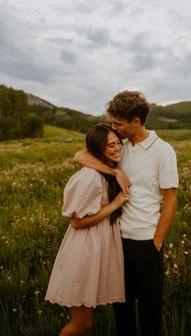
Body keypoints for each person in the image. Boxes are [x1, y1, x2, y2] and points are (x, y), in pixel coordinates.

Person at [74, 90, 179, 336]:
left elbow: (171, 199)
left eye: (118, 123)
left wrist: (157, 241)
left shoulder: (163, 151)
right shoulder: (117, 145)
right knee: (121, 309)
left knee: (150, 311)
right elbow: (79, 156)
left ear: (136, 122)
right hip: (117, 241)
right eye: (112, 122)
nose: (114, 127)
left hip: (146, 242)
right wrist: (116, 172)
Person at [45, 123, 129, 336]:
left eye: (118, 142)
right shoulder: (89, 176)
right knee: (81, 324)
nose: (117, 147)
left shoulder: (106, 171)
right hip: (84, 253)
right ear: (98, 149)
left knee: (88, 324)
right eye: (111, 144)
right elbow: (77, 222)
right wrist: (115, 203)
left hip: (95, 251)